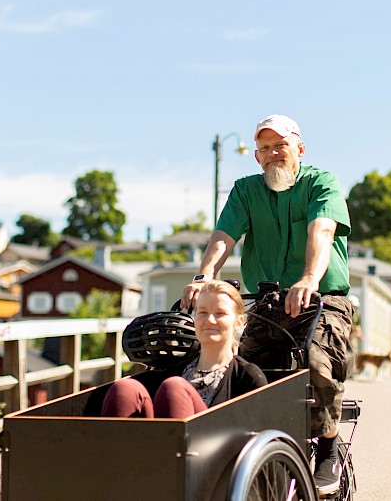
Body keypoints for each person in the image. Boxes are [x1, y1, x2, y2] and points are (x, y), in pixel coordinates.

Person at [181, 113, 353, 496]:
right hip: (265, 300)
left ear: (299, 149)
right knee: (235, 364)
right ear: (257, 157)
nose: (274, 153)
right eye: (265, 148)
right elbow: (225, 235)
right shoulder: (245, 190)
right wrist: (205, 274)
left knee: (317, 361)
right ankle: (244, 450)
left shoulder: (321, 182)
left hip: (324, 297)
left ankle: (328, 445)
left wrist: (309, 279)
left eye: (281, 145)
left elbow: (321, 229)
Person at [103, 279, 267, 418]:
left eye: (220, 313)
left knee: (175, 388)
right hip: (159, 445)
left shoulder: (247, 375)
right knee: (125, 389)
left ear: (239, 322)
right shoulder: (173, 370)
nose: (210, 320)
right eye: (202, 312)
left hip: (211, 449)